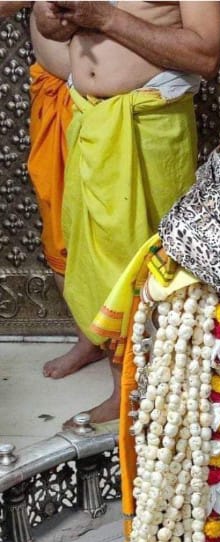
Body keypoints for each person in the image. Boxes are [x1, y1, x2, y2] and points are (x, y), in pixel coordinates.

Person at [34, 0, 220, 427]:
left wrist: (103, 17)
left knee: (153, 267)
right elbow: (58, 24)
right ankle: (126, 390)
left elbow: (205, 54)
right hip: (89, 119)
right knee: (102, 264)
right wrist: (53, 19)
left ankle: (169, 393)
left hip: (150, 125)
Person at [0, 2, 72, 335]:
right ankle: (89, 338)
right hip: (57, 97)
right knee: (60, 228)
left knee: (115, 231)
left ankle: (133, 350)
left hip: (117, 101)